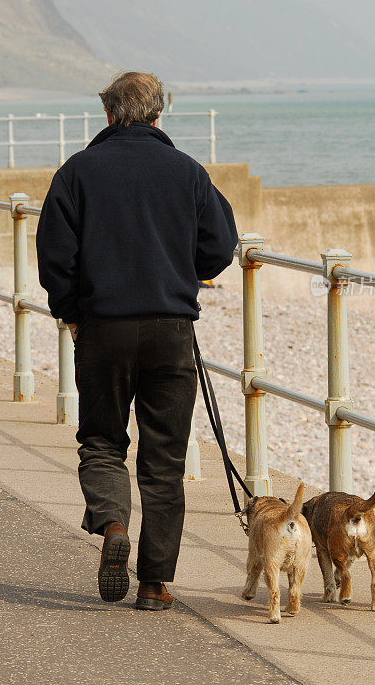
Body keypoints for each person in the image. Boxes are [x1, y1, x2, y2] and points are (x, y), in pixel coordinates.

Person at [36, 71, 237, 610]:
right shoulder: (188, 172)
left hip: (101, 328)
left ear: (107, 115)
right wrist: (178, 270)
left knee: (102, 441)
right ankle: (153, 584)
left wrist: (71, 312)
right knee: (164, 459)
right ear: (158, 114)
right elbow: (219, 248)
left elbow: (55, 257)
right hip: (171, 329)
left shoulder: (76, 172)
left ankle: (114, 526)